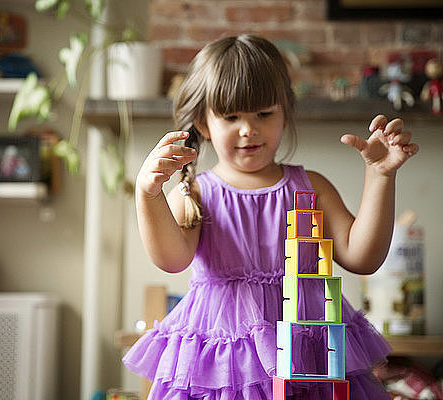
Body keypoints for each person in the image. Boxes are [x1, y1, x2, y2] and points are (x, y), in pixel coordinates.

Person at [123, 35, 419, 399]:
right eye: (231, 117)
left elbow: (363, 256)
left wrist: (381, 176)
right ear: (203, 123)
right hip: (224, 365)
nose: (249, 129)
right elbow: (171, 259)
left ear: (284, 113)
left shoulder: (311, 187)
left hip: (309, 356)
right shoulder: (195, 193)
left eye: (264, 113)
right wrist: (147, 194)